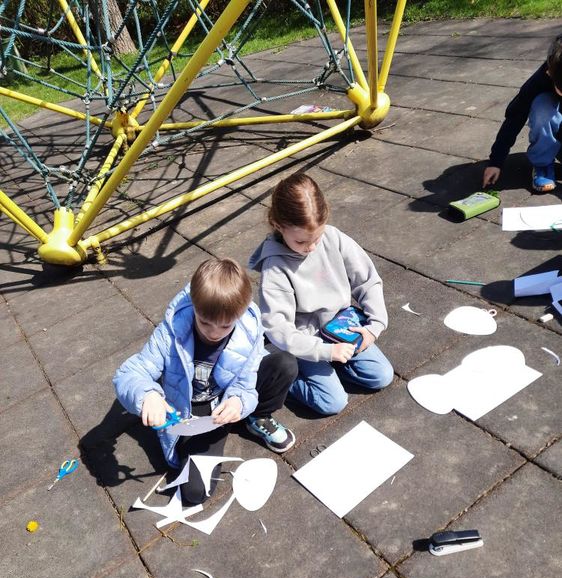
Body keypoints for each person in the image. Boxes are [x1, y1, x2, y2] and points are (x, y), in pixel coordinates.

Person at [113, 258, 297, 504]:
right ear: (194, 305)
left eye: (225, 326)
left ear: (240, 314)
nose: (213, 333)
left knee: (285, 364)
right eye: (205, 322)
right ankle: (227, 427)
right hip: (193, 410)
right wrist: (148, 395)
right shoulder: (172, 331)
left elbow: (246, 383)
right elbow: (130, 373)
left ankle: (256, 417)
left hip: (226, 398)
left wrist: (239, 402)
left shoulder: (250, 329)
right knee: (195, 492)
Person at [248, 173, 393, 416]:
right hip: (305, 339)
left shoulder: (334, 238)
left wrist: (374, 326)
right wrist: (325, 352)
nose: (311, 247)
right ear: (278, 225)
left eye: (317, 237)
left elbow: (367, 280)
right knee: (332, 402)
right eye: (301, 242)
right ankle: (282, 377)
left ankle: (334, 365)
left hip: (339, 327)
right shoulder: (275, 267)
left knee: (381, 376)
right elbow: (278, 327)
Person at [483, 34, 562, 193]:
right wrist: (495, 162)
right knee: (542, 107)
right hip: (554, 132)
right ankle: (542, 164)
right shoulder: (537, 82)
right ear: (549, 73)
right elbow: (514, 119)